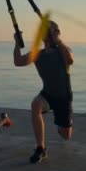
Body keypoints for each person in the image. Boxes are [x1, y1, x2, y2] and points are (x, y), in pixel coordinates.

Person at [13, 21, 74, 163]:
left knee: (66, 136)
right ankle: (41, 148)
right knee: (36, 104)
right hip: (47, 94)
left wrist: (59, 40)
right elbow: (18, 61)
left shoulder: (63, 51)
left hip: (64, 98)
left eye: (52, 32)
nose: (48, 34)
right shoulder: (38, 54)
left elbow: (70, 60)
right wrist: (16, 42)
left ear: (57, 33)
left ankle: (60, 127)